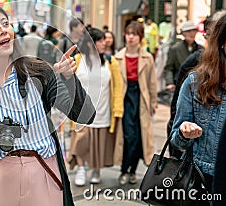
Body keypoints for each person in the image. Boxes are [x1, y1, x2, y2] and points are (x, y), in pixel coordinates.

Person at [0, 4, 96, 206]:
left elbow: (84, 116)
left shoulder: (40, 72)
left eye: (5, 23)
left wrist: (69, 78)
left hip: (42, 171)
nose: (3, 30)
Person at [171, 14, 226, 190]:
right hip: (202, 179)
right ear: (223, 44)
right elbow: (177, 141)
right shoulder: (196, 82)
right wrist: (185, 132)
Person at [69, 28, 123, 186]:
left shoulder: (110, 62)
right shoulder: (78, 59)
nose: (103, 43)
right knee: (80, 141)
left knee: (99, 142)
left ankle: (96, 170)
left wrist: (118, 109)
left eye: (103, 40)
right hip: (81, 111)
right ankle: (80, 169)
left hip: (103, 110)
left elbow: (118, 87)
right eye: (99, 40)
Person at [114, 21, 157, 185]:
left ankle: (132, 171)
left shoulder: (147, 57)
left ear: (140, 37)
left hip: (141, 98)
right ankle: (124, 169)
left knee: (139, 136)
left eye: (135, 34)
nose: (131, 37)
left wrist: (153, 102)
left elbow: (152, 82)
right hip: (124, 99)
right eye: (128, 33)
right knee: (127, 136)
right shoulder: (118, 57)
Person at [163, 21, 203, 91]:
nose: (191, 33)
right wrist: (170, 83)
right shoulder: (175, 49)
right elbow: (169, 68)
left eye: (194, 30)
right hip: (180, 84)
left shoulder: (201, 49)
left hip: (198, 85)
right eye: (188, 31)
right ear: (183, 33)